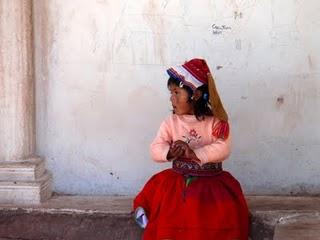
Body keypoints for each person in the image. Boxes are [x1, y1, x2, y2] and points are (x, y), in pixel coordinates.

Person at [133, 58, 249, 240]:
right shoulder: (170, 122)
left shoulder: (216, 122)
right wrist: (170, 152)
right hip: (177, 176)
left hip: (211, 179)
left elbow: (223, 148)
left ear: (194, 95)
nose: (172, 98)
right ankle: (148, 216)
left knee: (212, 210)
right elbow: (156, 147)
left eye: (177, 92)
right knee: (163, 195)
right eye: (171, 93)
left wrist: (194, 153)